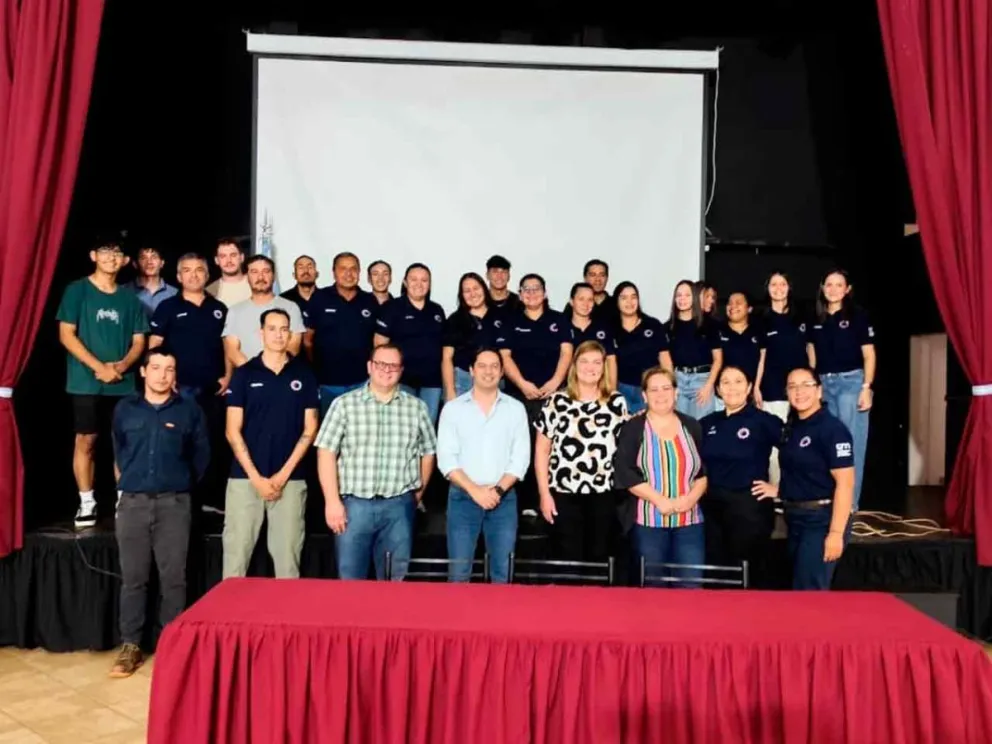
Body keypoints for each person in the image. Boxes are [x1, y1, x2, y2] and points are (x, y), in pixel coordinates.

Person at [109, 346, 209, 678]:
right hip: (133, 504)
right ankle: (130, 646)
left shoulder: (189, 411)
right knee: (134, 579)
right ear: (143, 372)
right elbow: (119, 452)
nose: (162, 375)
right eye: (156, 368)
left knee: (174, 580)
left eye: (169, 369)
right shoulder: (125, 409)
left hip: (174, 504)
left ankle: (172, 646)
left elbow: (201, 457)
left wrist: (177, 484)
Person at [316, 343, 437, 581]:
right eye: (381, 364)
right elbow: (326, 454)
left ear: (401, 370)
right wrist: (332, 502)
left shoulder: (417, 408)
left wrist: (417, 494)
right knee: (349, 581)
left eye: (393, 366)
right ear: (370, 367)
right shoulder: (344, 405)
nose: (386, 370)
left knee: (395, 582)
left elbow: (428, 452)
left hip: (399, 508)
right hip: (354, 508)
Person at [57, 239, 148, 528]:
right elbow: (66, 335)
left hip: (122, 383)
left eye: (117, 253)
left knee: (124, 441)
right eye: (105, 252)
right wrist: (99, 368)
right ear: (93, 255)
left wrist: (120, 366)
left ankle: (125, 500)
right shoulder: (77, 290)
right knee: (86, 440)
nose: (111, 257)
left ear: (124, 261)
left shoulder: (130, 299)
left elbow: (139, 340)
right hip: (86, 382)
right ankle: (87, 502)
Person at [222, 309, 319, 579]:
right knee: (235, 561)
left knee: (288, 564)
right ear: (261, 333)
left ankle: (287, 621)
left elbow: (310, 429)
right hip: (245, 480)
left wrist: (282, 475)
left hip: (290, 479)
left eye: (284, 329)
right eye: (273, 328)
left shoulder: (304, 374)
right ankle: (227, 620)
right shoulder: (244, 374)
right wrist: (257, 478)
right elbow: (232, 431)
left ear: (290, 334)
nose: (279, 334)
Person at [752, 367, 854, 590]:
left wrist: (836, 534)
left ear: (819, 391)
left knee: (809, 593)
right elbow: (802, 473)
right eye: (792, 386)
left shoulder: (833, 430)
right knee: (798, 591)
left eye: (806, 385)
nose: (799, 392)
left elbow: (845, 484)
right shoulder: (793, 427)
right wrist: (778, 490)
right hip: (795, 519)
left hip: (821, 521)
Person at [437, 348, 529, 582]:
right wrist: (475, 491)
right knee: (458, 574)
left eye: (494, 366)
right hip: (463, 498)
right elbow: (446, 460)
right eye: (482, 366)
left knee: (503, 575)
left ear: (501, 372)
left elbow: (520, 459)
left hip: (503, 499)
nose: (488, 371)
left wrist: (496, 491)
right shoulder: (453, 409)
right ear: (471, 370)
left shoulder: (515, 409)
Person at [149, 252, 231, 513]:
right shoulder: (167, 308)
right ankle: (181, 497)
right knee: (179, 443)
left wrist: (228, 376)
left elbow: (229, 347)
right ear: (178, 276)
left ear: (207, 275)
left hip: (214, 390)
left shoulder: (219, 309)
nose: (193, 275)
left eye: (199, 270)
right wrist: (164, 378)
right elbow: (155, 347)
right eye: (187, 270)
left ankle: (209, 499)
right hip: (179, 389)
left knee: (212, 443)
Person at [535, 341, 628, 564]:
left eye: (597, 362)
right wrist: (544, 494)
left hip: (603, 494)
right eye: (584, 361)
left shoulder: (616, 402)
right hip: (563, 493)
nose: (590, 367)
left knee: (599, 558)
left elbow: (625, 448)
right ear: (575, 365)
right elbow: (541, 451)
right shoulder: (556, 401)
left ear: (604, 367)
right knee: (568, 560)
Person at [614, 367, 707, 587]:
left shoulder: (692, 425)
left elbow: (702, 473)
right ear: (644, 396)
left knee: (691, 585)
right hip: (648, 523)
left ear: (676, 393)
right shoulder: (633, 428)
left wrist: (690, 499)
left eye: (666, 388)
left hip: (690, 523)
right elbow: (625, 472)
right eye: (653, 389)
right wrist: (659, 500)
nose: (661, 394)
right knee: (654, 587)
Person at [497, 273, 573, 516]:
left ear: (545, 292)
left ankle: (550, 498)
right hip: (520, 396)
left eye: (536, 288)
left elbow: (566, 353)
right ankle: (527, 502)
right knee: (523, 447)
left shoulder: (559, 320)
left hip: (554, 395)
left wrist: (554, 382)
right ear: (520, 295)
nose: (531, 293)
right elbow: (505, 357)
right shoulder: (511, 321)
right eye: (526, 289)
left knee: (554, 448)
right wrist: (522, 384)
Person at [698, 365, 781, 573]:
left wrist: (781, 489)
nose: (731, 387)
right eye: (725, 382)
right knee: (716, 573)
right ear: (717, 389)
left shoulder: (764, 421)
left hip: (748, 509)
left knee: (746, 574)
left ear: (749, 387)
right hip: (712, 509)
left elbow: (799, 454)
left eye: (738, 381)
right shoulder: (707, 423)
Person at [806, 269, 875, 511]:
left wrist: (866, 388)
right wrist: (814, 386)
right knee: (827, 443)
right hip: (825, 385)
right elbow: (812, 356)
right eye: (829, 284)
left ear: (847, 289)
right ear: (823, 288)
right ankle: (831, 501)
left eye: (839, 285)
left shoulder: (858, 316)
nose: (833, 289)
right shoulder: (816, 318)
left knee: (851, 444)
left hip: (851, 383)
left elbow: (869, 355)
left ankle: (850, 505)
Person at [303, 252, 380, 417]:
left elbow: (377, 341)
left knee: (359, 433)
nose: (348, 274)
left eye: (353, 269)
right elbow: (307, 340)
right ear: (334, 272)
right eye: (343, 269)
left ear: (359, 273)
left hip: (362, 382)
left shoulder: (369, 300)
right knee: (329, 434)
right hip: (327, 382)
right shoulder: (320, 298)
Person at [374, 263, 446, 423]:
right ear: (405, 282)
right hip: (401, 380)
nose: (419, 284)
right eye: (413, 279)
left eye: (424, 280)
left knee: (426, 427)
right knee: (402, 427)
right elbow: (379, 345)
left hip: (432, 382)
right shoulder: (391, 308)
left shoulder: (437, 310)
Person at [754, 272, 808, 483]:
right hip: (773, 389)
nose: (778, 288)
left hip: (800, 390)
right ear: (768, 289)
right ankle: (776, 491)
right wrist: (756, 386)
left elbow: (810, 350)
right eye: (773, 284)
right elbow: (761, 357)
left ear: (789, 287)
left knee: (799, 441)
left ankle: (796, 491)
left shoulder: (801, 317)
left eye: (782, 284)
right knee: (776, 444)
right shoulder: (761, 320)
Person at [223, 255, 305, 366]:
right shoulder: (234, 311)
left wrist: (272, 372)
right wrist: (254, 373)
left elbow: (293, 347)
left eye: (266, 271)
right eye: (254, 272)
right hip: (247, 378)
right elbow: (232, 350)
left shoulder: (291, 307)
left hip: (282, 377)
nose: (260, 277)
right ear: (247, 277)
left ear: (273, 276)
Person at [667, 279, 723, 418]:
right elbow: (666, 361)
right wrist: (672, 386)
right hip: (678, 380)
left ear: (695, 297)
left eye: (687, 295)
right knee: (680, 428)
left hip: (702, 381)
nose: (682, 299)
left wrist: (708, 386)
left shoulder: (709, 324)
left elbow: (718, 359)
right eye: (678, 295)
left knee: (701, 429)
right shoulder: (668, 327)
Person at [613, 281, 671, 414]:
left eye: (634, 297)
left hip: (650, 388)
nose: (629, 302)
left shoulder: (653, 324)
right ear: (617, 301)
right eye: (624, 298)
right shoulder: (611, 328)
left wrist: (670, 387)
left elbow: (665, 359)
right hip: (622, 389)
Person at [442, 272, 497, 400]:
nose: (473, 294)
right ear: (462, 295)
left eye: (476, 288)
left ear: (484, 288)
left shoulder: (499, 316)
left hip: (494, 380)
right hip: (462, 380)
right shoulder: (455, 320)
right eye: (467, 291)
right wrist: (450, 390)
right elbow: (446, 358)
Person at [567, 282, 618, 389]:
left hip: (598, 388)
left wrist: (612, 391)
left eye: (590, 300)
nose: (586, 304)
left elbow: (610, 360)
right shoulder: (562, 327)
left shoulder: (603, 327)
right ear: (571, 302)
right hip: (567, 388)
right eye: (581, 299)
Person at [717, 291, 762, 383]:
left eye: (738, 303)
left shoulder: (759, 331)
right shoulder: (717, 331)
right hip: (726, 391)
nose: (733, 306)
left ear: (749, 308)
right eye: (729, 303)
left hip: (754, 391)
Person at [123, 245, 177, 318]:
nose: (149, 262)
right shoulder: (123, 291)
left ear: (162, 263)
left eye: (154, 257)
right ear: (135, 264)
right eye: (143, 258)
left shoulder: (175, 293)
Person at [205, 238, 252, 307]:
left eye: (233, 255)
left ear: (242, 257)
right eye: (223, 256)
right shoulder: (210, 292)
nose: (229, 260)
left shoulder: (256, 283)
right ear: (216, 260)